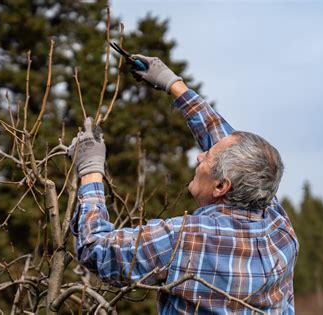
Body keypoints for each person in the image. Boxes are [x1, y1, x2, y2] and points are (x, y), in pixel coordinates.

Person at [69, 55, 299, 314]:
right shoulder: (277, 224)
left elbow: (96, 250)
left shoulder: (184, 240)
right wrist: (173, 84)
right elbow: (227, 142)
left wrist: (90, 171)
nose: (200, 156)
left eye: (207, 157)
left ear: (221, 186)